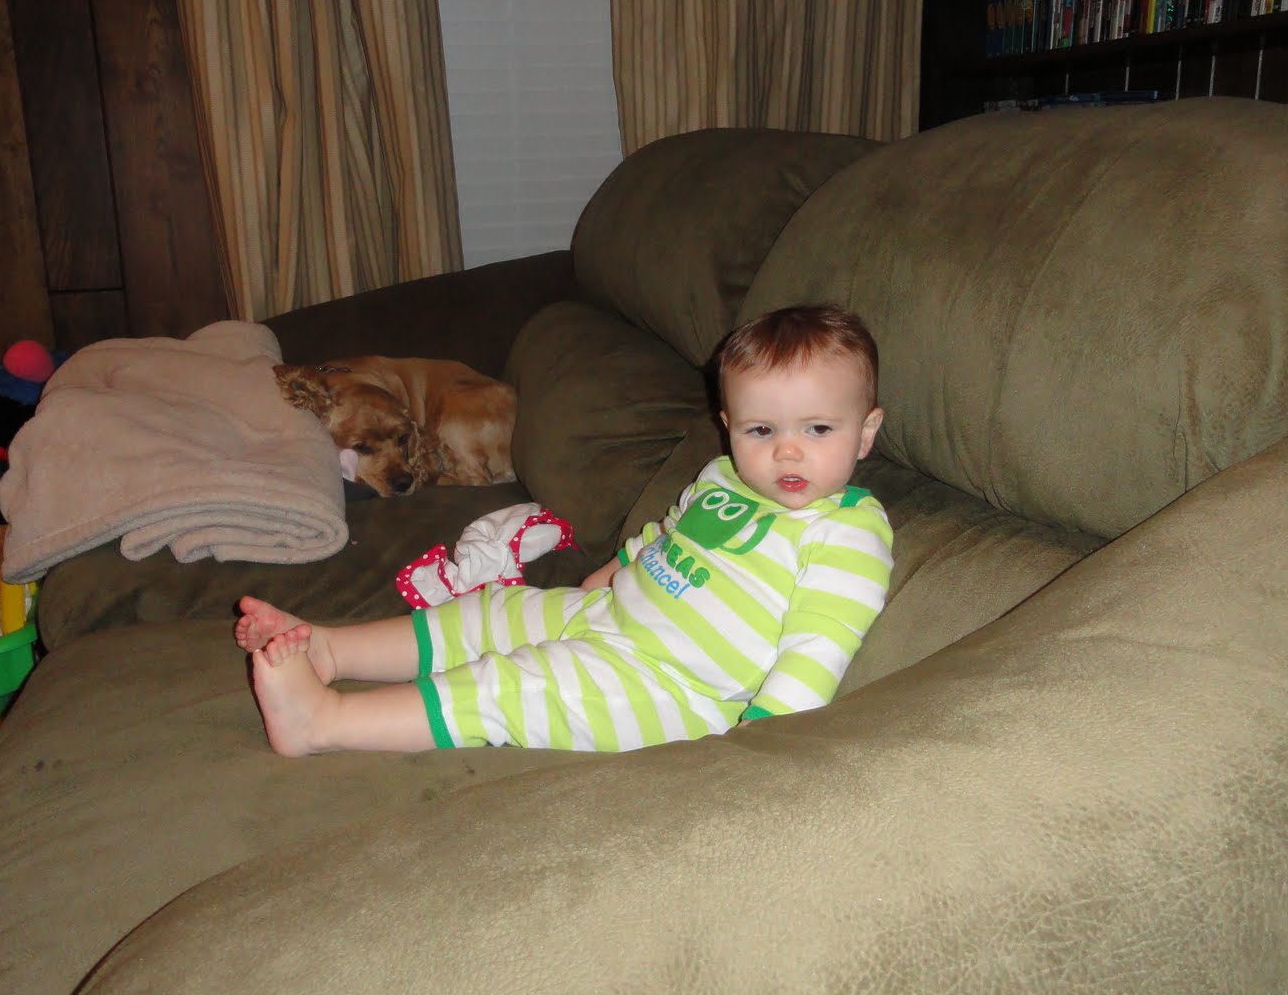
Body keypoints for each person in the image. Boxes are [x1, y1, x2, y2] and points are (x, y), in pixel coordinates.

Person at [236, 303, 894, 756]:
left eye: (818, 429)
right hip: (612, 615)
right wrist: (616, 569)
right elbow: (668, 536)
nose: (786, 451)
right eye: (761, 429)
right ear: (729, 426)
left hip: (674, 686)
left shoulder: (848, 532)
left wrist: (766, 737)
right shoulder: (723, 477)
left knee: (515, 685)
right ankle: (331, 650)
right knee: (492, 612)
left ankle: (325, 722)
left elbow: (818, 647)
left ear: (865, 432)